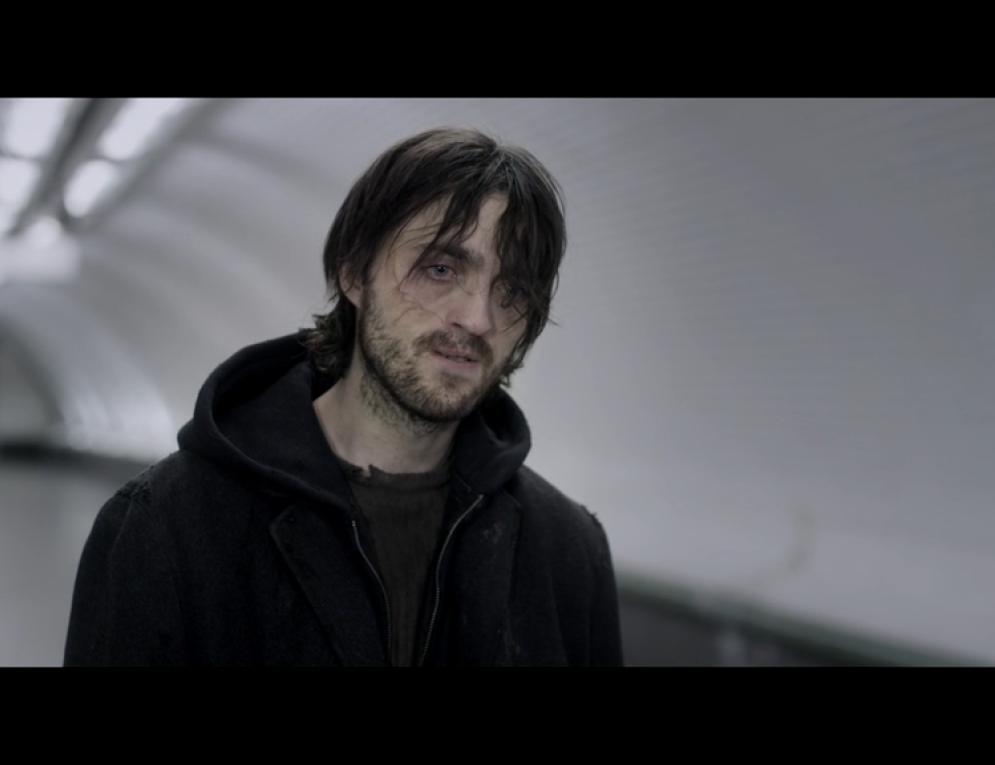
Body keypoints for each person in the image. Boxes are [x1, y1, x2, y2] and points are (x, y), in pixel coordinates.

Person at [63, 127, 623, 666]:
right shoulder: (165, 530)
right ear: (353, 272)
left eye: (513, 290)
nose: (478, 318)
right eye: (440, 269)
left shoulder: (569, 551)